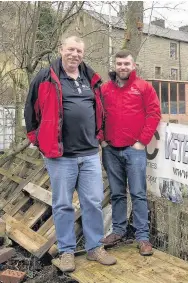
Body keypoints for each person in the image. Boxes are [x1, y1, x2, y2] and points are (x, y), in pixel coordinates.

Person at [24, 35, 116, 272]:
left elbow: (101, 109)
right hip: (60, 156)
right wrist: (35, 138)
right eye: (71, 49)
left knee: (93, 202)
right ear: (61, 49)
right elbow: (30, 110)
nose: (75, 54)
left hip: (89, 154)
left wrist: (100, 135)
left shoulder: (91, 78)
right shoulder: (45, 77)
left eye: (79, 51)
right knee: (63, 204)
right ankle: (66, 251)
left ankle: (95, 247)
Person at [100, 50, 161, 256]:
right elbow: (97, 115)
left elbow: (154, 114)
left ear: (133, 65)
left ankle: (142, 236)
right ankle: (118, 231)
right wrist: (102, 139)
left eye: (126, 63)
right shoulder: (105, 89)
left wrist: (142, 141)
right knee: (117, 194)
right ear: (115, 65)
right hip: (111, 150)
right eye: (119, 63)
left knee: (138, 193)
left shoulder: (143, 87)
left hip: (134, 150)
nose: (123, 67)